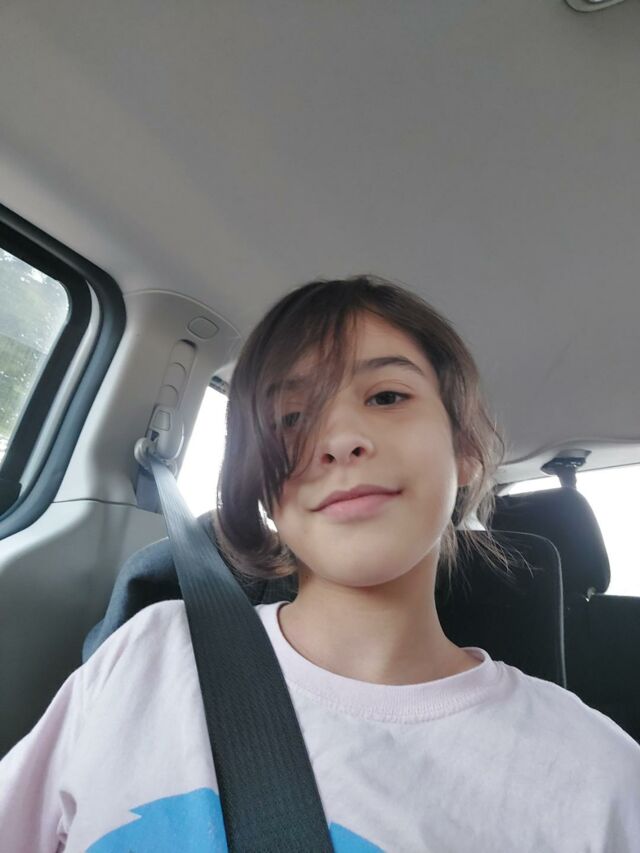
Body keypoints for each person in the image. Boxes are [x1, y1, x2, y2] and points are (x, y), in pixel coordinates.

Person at [1, 274, 639, 851]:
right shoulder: (146, 655)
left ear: (465, 450)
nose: (339, 440)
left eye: (386, 396)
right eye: (291, 417)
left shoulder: (595, 774)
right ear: (259, 478)